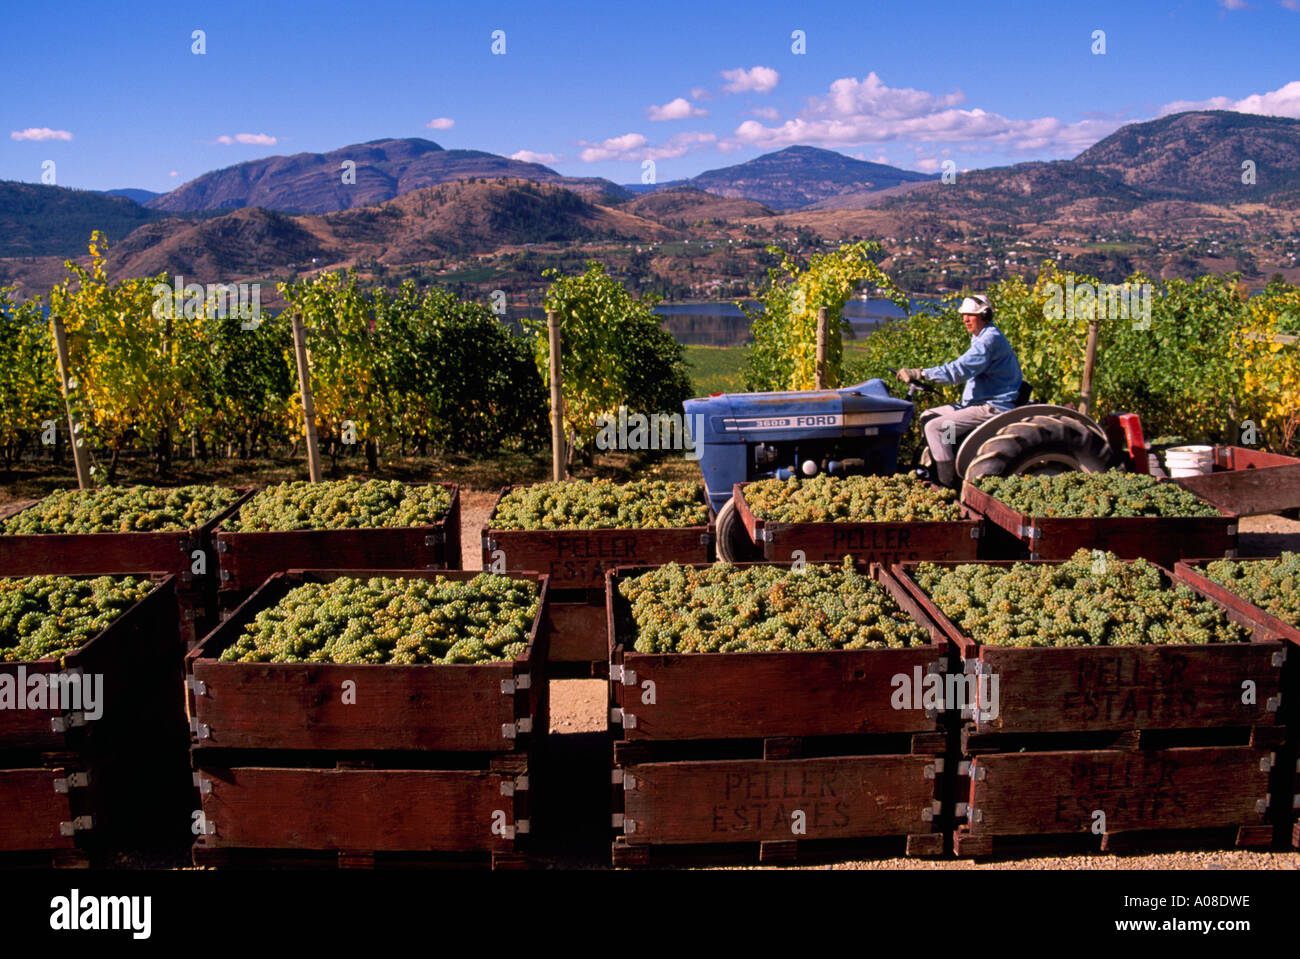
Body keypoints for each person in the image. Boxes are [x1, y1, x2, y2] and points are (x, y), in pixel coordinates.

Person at [896, 294, 1023, 489]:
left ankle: (947, 483)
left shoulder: (988, 341)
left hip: (991, 406)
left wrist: (920, 373)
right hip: (977, 402)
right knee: (928, 416)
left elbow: (958, 371)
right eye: (963, 315)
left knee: (935, 427)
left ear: (985, 315)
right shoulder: (981, 336)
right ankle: (949, 454)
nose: (965, 319)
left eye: (970, 315)